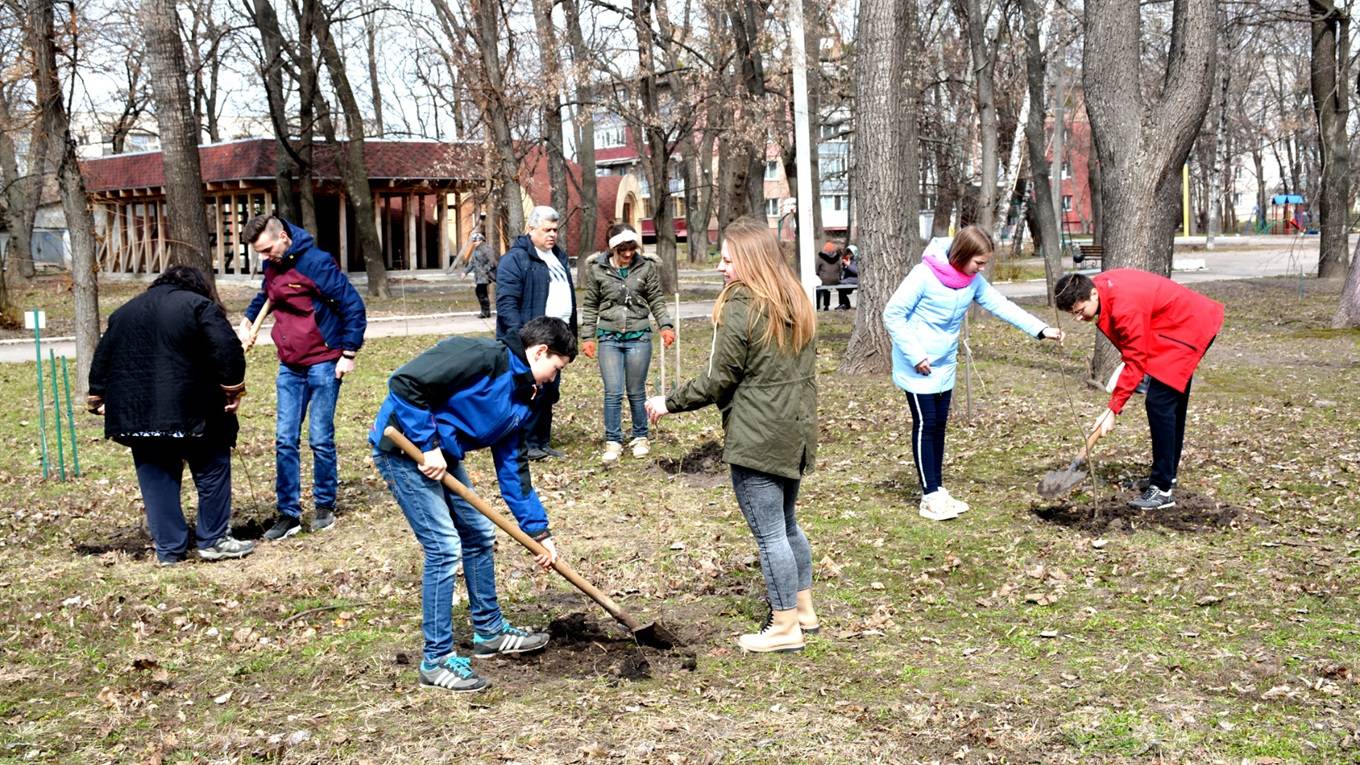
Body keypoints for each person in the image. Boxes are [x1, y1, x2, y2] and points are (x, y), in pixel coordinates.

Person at [370, 316, 576, 692]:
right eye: (556, 368)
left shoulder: (526, 393)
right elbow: (404, 382)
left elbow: (514, 466)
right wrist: (428, 446)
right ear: (540, 351)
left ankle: (489, 632)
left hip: (442, 456)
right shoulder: (480, 357)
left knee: (479, 535)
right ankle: (437, 661)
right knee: (444, 547)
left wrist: (539, 531)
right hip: (405, 448)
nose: (554, 377)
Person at [645, 217, 819, 654]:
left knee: (770, 535)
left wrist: (669, 401)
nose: (722, 268)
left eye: (728, 259)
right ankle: (803, 610)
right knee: (788, 524)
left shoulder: (741, 303)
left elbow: (719, 378)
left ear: (751, 260)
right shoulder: (794, 298)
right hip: (793, 430)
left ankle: (783, 628)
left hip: (758, 434)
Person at [883, 225, 1065, 521]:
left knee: (939, 425)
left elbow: (1001, 305)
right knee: (926, 424)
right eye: (979, 262)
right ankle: (929, 496)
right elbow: (893, 313)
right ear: (962, 254)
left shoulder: (971, 280)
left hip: (944, 363)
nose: (982, 268)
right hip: (917, 362)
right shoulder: (924, 275)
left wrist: (1041, 329)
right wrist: (915, 355)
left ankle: (938, 489)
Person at [88, 265, 255, 566]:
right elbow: (227, 348)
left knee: (156, 476)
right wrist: (233, 389)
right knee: (212, 468)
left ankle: (169, 550)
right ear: (197, 286)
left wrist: (97, 395)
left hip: (137, 415)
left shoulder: (124, 312)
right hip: (193, 409)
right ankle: (214, 540)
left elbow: (102, 356)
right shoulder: (198, 305)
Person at [238, 214, 368, 541]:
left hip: (324, 361)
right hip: (290, 364)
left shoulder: (316, 263)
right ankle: (288, 514)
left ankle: (324, 505)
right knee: (284, 438)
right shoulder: (273, 265)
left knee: (320, 437)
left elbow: (352, 305)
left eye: (268, 250)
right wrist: (248, 318)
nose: (265, 258)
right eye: (260, 254)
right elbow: (266, 295)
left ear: (283, 236)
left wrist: (348, 353)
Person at [1054, 270, 1224, 510]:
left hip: (1188, 327)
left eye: (1080, 312)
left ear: (1093, 293)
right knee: (1169, 402)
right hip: (1173, 326)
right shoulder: (1098, 289)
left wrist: (1112, 409)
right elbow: (1133, 350)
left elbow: (1136, 360)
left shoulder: (1124, 306)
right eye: (1073, 314)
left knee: (1160, 403)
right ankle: (1167, 475)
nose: (1078, 319)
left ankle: (1162, 489)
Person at [579, 222, 676, 463]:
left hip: (639, 336)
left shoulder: (645, 268)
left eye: (632, 249)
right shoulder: (598, 270)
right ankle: (613, 440)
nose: (628, 254)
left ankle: (640, 436)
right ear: (612, 248)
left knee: (636, 390)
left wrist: (665, 325)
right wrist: (588, 336)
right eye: (623, 250)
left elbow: (656, 298)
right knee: (613, 392)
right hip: (609, 337)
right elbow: (591, 305)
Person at [496, 206, 577, 461]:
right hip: (531, 339)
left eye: (555, 230)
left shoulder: (558, 257)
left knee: (549, 392)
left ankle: (542, 441)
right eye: (546, 230)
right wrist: (522, 339)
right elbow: (507, 303)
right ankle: (526, 443)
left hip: (558, 337)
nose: (552, 234)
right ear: (531, 229)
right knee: (530, 391)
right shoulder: (516, 259)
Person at [454, 232, 496, 318]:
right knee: (481, 292)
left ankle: (485, 312)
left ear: (481, 240)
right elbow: (472, 263)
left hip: (485, 275)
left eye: (476, 241)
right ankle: (485, 312)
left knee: (480, 291)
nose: (474, 243)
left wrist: (485, 270)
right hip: (479, 275)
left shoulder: (486, 249)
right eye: (474, 241)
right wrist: (465, 272)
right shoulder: (476, 250)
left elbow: (492, 262)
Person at [814, 240, 843, 311]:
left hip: (823, 280)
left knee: (820, 287)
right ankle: (826, 306)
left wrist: (818, 274)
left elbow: (817, 269)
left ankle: (817, 306)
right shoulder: (838, 258)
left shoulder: (821, 257)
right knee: (827, 287)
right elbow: (840, 269)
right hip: (835, 280)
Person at [837, 246, 858, 310]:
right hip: (847, 280)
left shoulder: (857, 261)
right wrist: (843, 265)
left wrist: (848, 265)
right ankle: (843, 304)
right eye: (848, 252)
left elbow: (856, 271)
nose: (848, 254)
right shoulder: (848, 260)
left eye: (850, 252)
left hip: (854, 280)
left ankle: (845, 304)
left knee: (840, 285)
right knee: (839, 285)